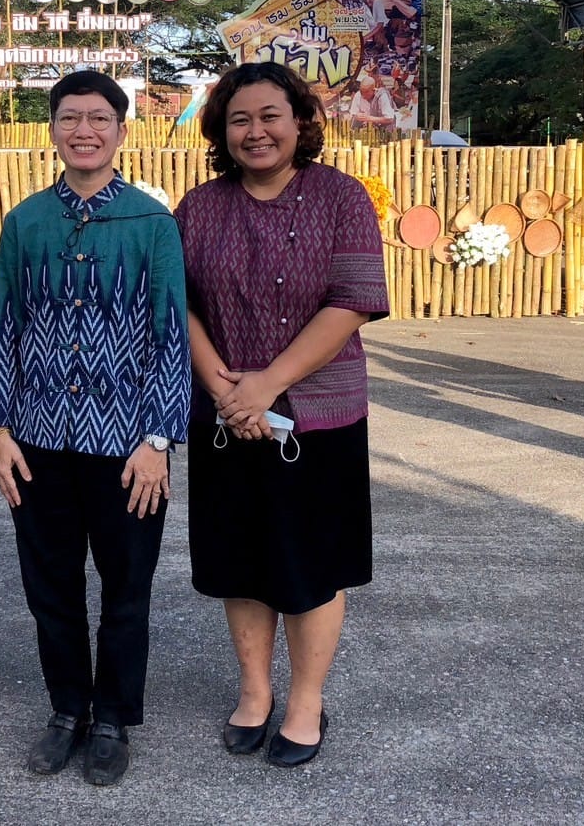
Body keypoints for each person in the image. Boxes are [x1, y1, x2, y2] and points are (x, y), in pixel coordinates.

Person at [173, 61, 388, 769]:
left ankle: (305, 700)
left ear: (300, 122)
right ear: (220, 130)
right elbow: (179, 306)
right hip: (225, 417)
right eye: (239, 119)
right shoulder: (198, 208)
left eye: (270, 115)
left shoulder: (341, 197)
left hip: (319, 417)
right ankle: (254, 691)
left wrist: (267, 384)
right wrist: (228, 392)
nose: (255, 131)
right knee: (239, 561)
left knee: (310, 565)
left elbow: (352, 301)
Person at [0, 69, 190, 787]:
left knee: (126, 588)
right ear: (51, 128)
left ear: (121, 131)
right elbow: (6, 326)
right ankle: (67, 709)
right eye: (69, 117)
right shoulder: (25, 222)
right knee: (50, 586)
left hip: (128, 445)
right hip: (37, 439)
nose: (84, 130)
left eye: (99, 118)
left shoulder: (151, 223)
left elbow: (170, 334)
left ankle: (112, 718)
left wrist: (158, 440)